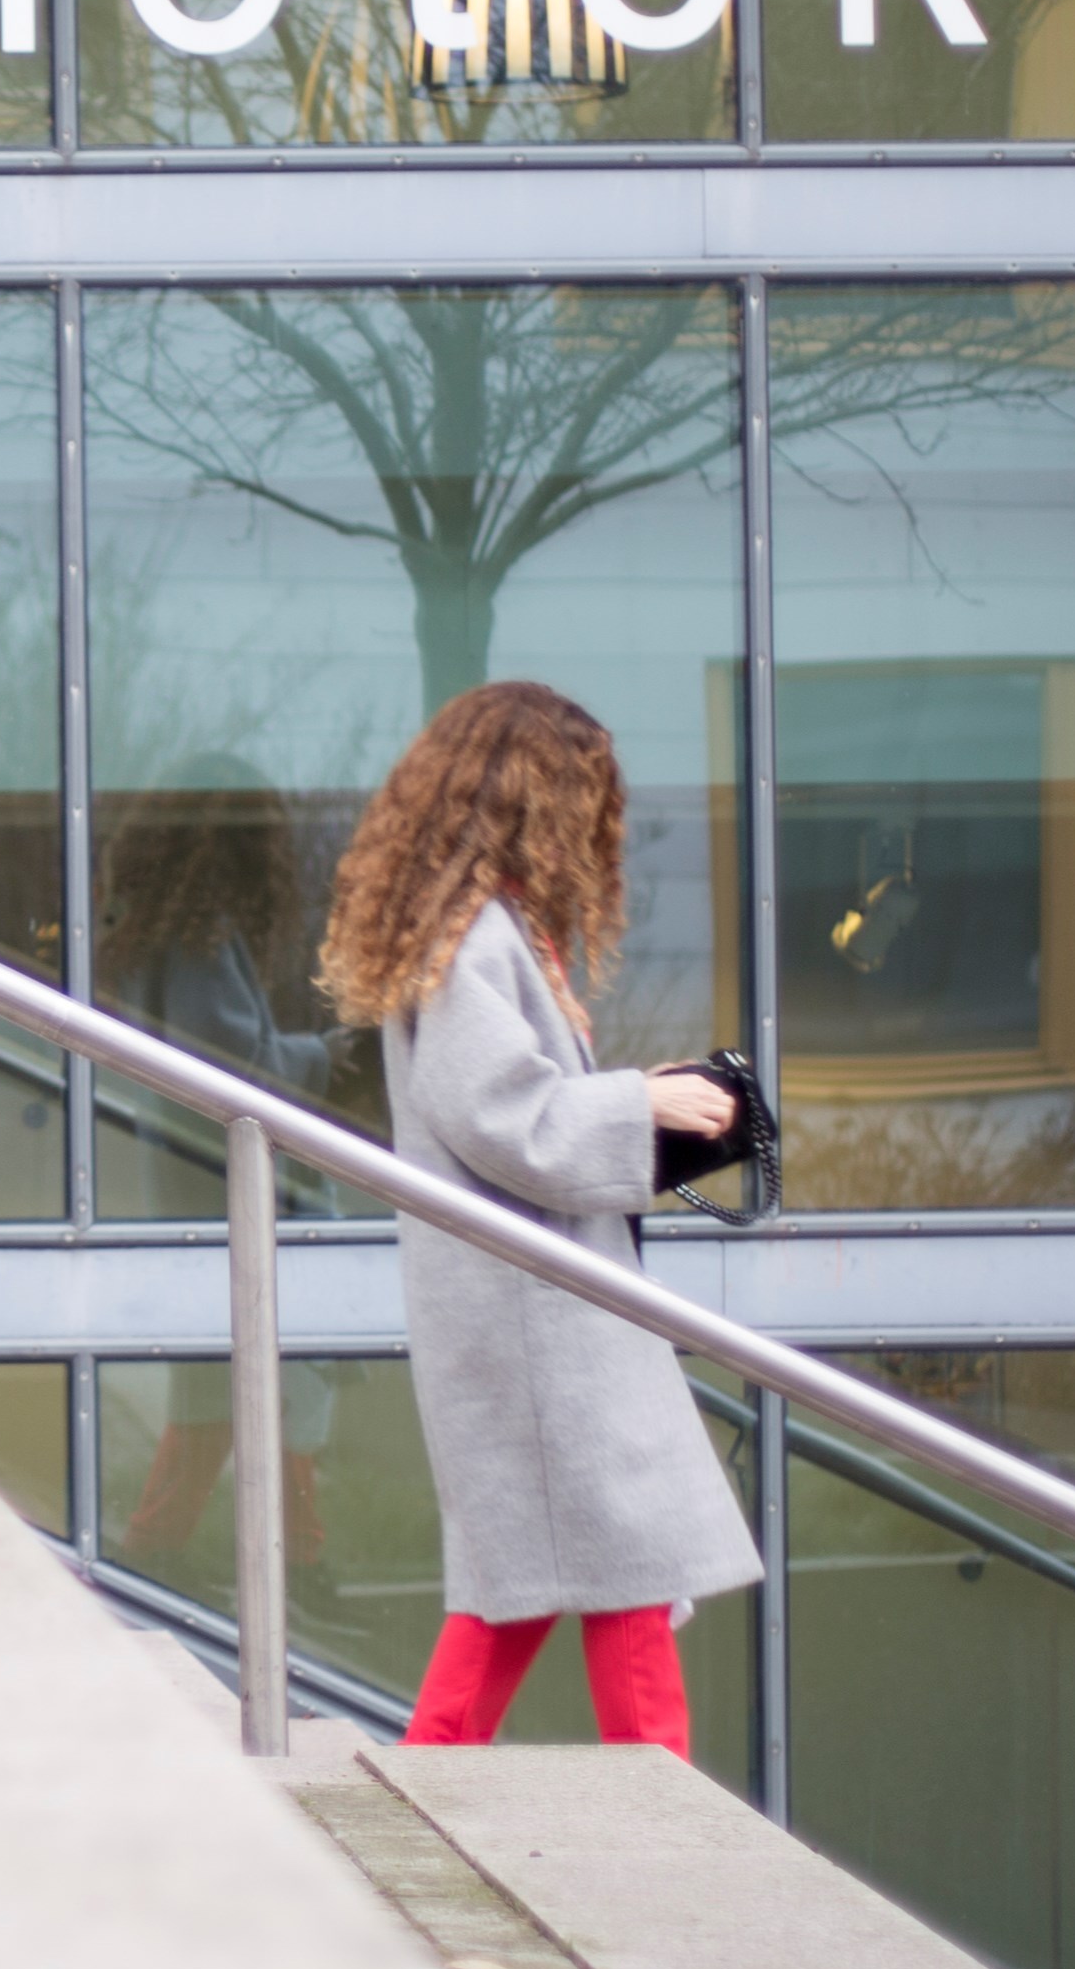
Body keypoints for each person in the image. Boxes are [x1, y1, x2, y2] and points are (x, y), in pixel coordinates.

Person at [312, 681, 762, 1756]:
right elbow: (500, 1115)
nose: (600, 823)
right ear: (532, 800)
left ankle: (429, 1794)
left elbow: (499, 1108)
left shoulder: (472, 932)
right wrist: (637, 1104)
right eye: (584, 796)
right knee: (619, 1578)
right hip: (538, 1318)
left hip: (527, 1309)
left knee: (526, 1588)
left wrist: (633, 1098)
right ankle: (662, 1835)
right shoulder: (478, 943)